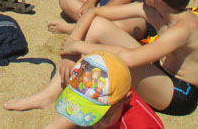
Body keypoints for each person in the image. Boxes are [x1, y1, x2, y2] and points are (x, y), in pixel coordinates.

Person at [5, 0, 198, 117]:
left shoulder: (182, 28)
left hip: (179, 93)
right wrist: (70, 51)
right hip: (162, 73)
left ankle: (52, 96)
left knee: (104, 54)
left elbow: (129, 58)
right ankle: (50, 95)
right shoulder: (152, 9)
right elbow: (94, 13)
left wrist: (78, 46)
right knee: (97, 27)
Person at [34, 52, 163, 129]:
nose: (94, 123)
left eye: (103, 116)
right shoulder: (112, 105)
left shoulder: (140, 125)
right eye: (87, 110)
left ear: (126, 99)